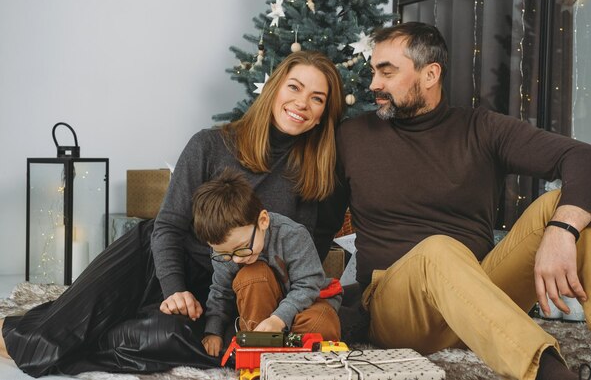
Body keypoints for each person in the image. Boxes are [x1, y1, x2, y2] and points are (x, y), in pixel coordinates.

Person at [0, 50, 345, 377]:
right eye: (295, 88)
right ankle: (32, 336)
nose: (302, 103)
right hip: (158, 260)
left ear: (322, 114)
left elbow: (303, 261)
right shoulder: (210, 145)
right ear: (274, 89)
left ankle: (81, 342)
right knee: (59, 332)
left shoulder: (316, 176)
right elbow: (168, 225)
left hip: (223, 287)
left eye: (317, 98)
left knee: (171, 341)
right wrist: (174, 289)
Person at [316, 22, 591, 380]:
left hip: (480, 297)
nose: (374, 84)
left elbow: (587, 159)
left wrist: (562, 230)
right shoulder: (352, 137)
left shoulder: (481, 128)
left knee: (563, 206)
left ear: (430, 73)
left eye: (387, 72)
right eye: (374, 71)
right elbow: (321, 226)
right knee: (438, 250)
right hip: (397, 308)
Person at [191, 169, 341, 357]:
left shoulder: (292, 235)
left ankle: (293, 356)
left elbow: (308, 285)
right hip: (262, 309)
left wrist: (279, 319)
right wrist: (213, 331)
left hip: (308, 303)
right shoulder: (225, 252)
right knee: (251, 274)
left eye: (242, 247)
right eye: (225, 254)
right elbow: (220, 291)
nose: (237, 259)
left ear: (262, 221)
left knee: (321, 324)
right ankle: (259, 346)